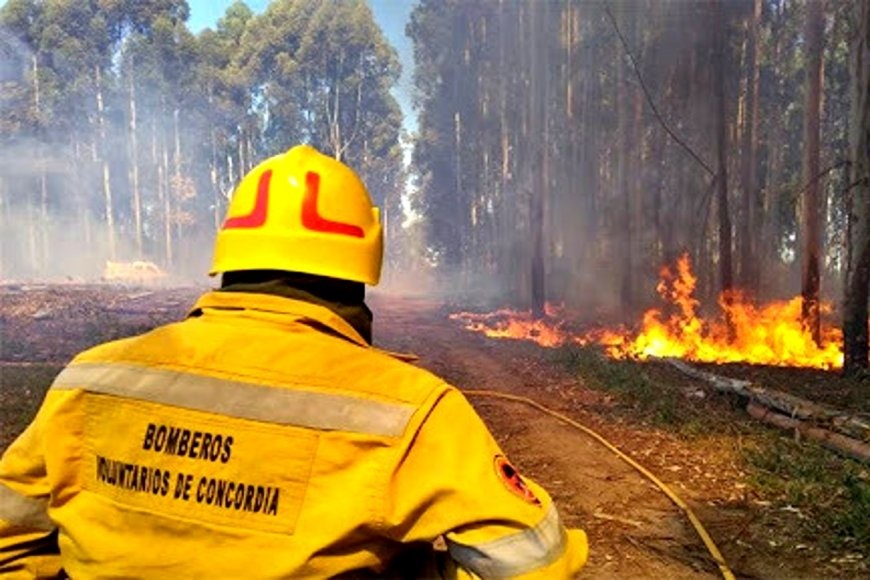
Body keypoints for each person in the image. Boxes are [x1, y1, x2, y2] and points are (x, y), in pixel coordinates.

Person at [0, 145, 588, 578]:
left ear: (230, 256)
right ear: (361, 272)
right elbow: (535, 565)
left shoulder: (88, 379)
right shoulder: (412, 412)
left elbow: (11, 538)